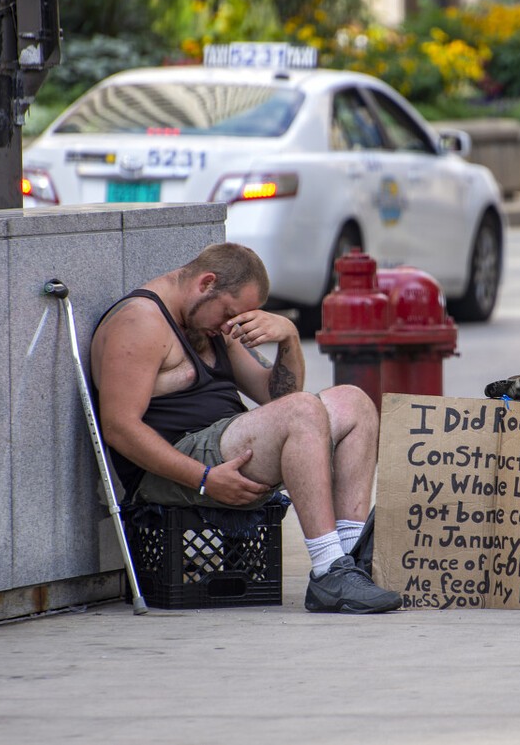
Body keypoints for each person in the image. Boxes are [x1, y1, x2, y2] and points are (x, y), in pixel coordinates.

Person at [90, 242, 400, 614]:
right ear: (206, 283)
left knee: (354, 402)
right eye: (229, 312)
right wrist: (203, 478)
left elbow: (277, 395)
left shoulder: (209, 323)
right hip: (175, 467)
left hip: (225, 442)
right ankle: (328, 569)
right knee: (302, 411)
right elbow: (118, 428)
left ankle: (351, 557)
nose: (229, 324)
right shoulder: (140, 321)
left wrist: (288, 338)